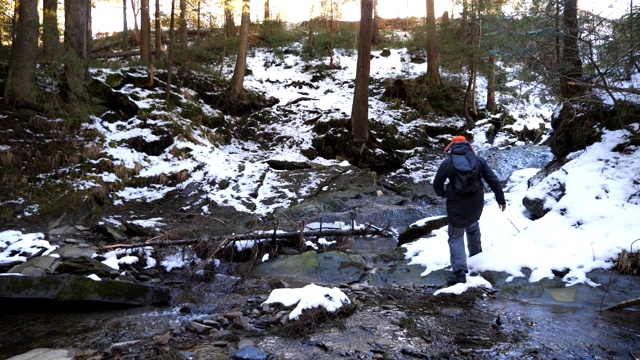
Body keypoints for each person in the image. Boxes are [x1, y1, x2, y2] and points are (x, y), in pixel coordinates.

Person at [433, 135, 507, 286]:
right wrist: (501, 199)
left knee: (456, 235)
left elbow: (437, 184)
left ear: (451, 148)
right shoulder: (478, 161)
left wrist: (445, 194)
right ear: (468, 146)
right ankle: (476, 258)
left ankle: (459, 273)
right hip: (476, 202)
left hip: (456, 203)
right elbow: (492, 180)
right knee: (472, 224)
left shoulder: (448, 163)